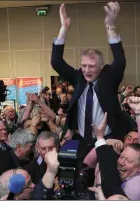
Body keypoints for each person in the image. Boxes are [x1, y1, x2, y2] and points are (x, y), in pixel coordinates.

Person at [51, 2, 127, 146]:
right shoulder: (78, 77)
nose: (86, 70)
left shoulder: (109, 78)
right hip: (80, 139)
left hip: (107, 139)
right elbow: (56, 62)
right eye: (84, 66)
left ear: (101, 66)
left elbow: (120, 60)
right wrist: (63, 29)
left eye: (91, 66)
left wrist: (110, 25)